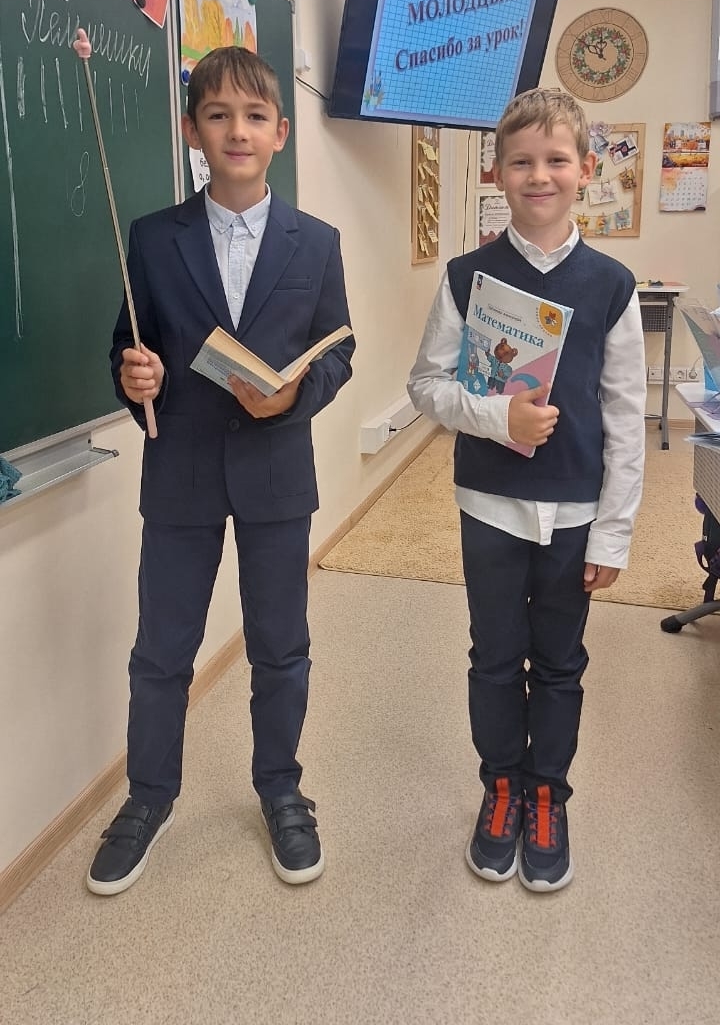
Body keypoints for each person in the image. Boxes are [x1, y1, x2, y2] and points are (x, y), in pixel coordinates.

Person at [86, 47, 354, 895]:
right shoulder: (151, 238)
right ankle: (149, 795)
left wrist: (299, 394)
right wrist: (135, 379)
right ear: (191, 130)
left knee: (281, 646)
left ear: (280, 132)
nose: (237, 130)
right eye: (217, 115)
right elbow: (129, 347)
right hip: (182, 471)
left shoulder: (318, 242)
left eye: (254, 116)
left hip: (277, 472)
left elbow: (339, 350)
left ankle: (281, 788)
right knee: (162, 650)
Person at [408, 88, 645, 893]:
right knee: (494, 656)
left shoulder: (611, 284)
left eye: (555, 160)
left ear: (585, 169)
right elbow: (426, 386)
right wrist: (494, 417)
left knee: (561, 661)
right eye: (521, 162)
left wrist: (614, 532)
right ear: (497, 172)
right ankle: (502, 786)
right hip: (491, 505)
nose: (538, 175)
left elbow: (624, 416)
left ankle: (548, 795)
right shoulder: (467, 276)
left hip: (576, 509)